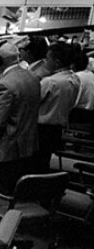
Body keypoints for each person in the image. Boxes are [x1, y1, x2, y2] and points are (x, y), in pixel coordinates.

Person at [0, 41, 41, 193]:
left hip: (4, 152)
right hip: (27, 146)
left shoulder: (3, 85)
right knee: (13, 187)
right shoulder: (32, 77)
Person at [36, 42, 81, 173]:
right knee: (45, 160)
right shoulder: (75, 78)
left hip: (41, 128)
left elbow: (33, 101)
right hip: (57, 128)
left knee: (36, 162)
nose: (45, 62)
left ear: (56, 62)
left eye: (47, 58)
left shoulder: (50, 82)